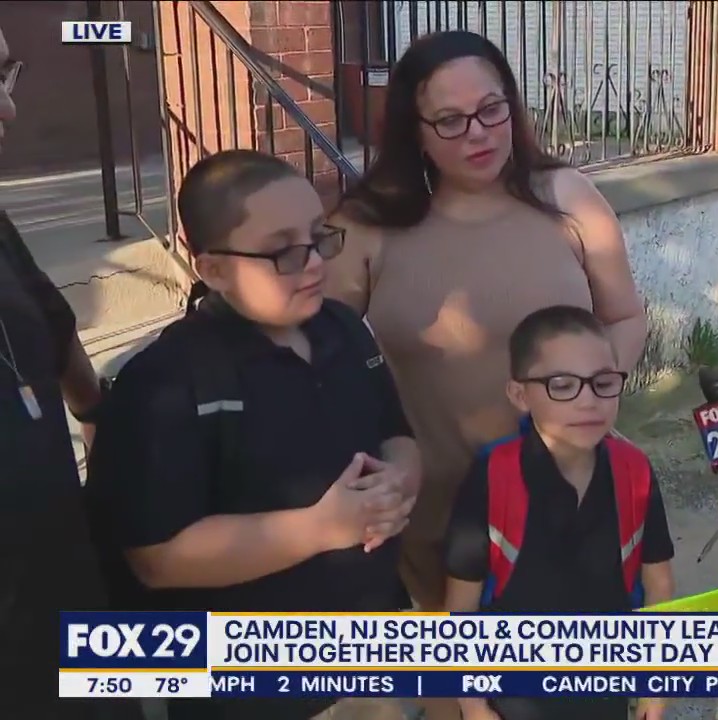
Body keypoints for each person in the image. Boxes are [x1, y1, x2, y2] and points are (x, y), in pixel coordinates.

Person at [325, 27, 646, 663]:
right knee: (463, 691)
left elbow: (625, 316)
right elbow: (322, 357)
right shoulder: (365, 227)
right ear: (413, 129)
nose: (478, 133)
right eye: (450, 120)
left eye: (491, 109)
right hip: (439, 517)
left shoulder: (567, 197)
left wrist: (586, 399)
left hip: (569, 495)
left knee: (577, 685)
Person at [85, 149, 420, 720]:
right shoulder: (165, 384)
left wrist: (399, 484)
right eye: (283, 251)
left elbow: (397, 435)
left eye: (319, 237)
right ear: (213, 269)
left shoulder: (344, 330)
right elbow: (157, 558)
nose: (313, 263)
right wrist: (319, 528)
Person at [0, 24, 144, 720]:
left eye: (5, 75)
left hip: (61, 581)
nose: (7, 109)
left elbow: (51, 327)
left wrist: (95, 417)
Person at [442, 305, 674, 720]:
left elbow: (659, 584)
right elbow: (460, 607)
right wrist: (473, 704)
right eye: (563, 385)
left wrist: (654, 685)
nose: (588, 401)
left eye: (603, 383)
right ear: (519, 395)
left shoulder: (634, 470)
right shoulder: (493, 475)